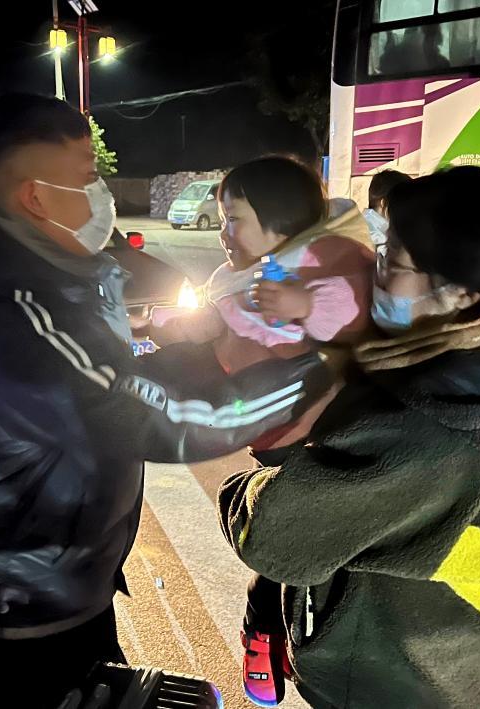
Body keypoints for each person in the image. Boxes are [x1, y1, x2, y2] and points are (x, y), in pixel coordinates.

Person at [0, 95, 327, 709]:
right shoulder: (16, 315)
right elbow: (157, 422)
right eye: (86, 176)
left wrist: (203, 348)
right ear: (36, 196)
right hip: (4, 599)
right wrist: (315, 373)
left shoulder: (63, 275)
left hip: (70, 576)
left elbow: (122, 377)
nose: (100, 191)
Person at [219, 166, 480, 708]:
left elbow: (273, 537)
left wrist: (246, 487)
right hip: (460, 644)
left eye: (392, 264)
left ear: (461, 293)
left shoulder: (423, 420)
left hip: (384, 662)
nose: (374, 276)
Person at [148, 156, 374, 707]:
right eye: (224, 218)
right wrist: (159, 326)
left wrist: (305, 304)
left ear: (279, 222)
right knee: (287, 543)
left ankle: (269, 632)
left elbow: (353, 315)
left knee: (303, 547)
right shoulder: (246, 274)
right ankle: (268, 632)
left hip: (326, 433)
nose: (223, 232)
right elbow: (213, 322)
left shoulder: (328, 260)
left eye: (234, 219)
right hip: (274, 435)